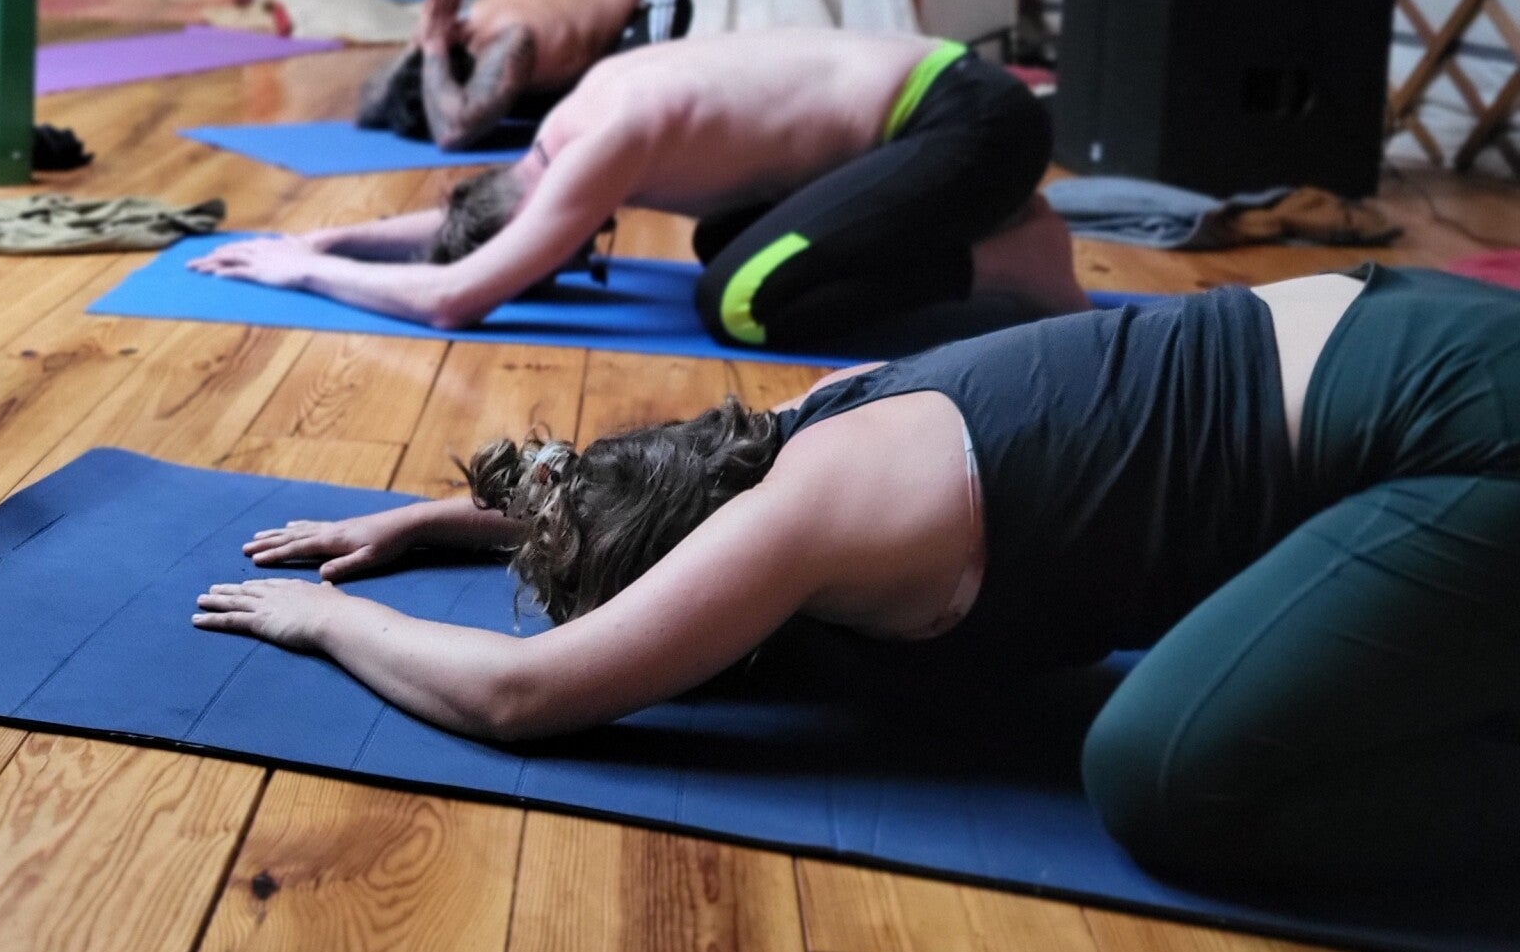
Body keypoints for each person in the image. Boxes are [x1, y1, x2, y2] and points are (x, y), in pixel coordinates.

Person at [193, 266, 1520, 898]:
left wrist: (331, 619)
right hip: (1424, 338)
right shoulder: (817, 418)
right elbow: (620, 473)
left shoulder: (805, 512)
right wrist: (430, 523)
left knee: (1159, 773)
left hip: (1471, 446)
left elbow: (520, 697)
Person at [193, 27, 1082, 355]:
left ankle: (1010, 262)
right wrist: (324, 238)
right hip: (954, 102)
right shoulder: (570, 122)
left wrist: (303, 272)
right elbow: (466, 226)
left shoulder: (602, 145)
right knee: (724, 240)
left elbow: (454, 297)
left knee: (737, 299)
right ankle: (988, 241)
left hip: (971, 127)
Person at [356, 0, 693, 150]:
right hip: (581, 30)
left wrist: (431, 48)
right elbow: (367, 106)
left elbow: (452, 132)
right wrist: (420, 42)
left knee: (626, 113)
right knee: (518, 108)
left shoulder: (510, 36)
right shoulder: (455, 37)